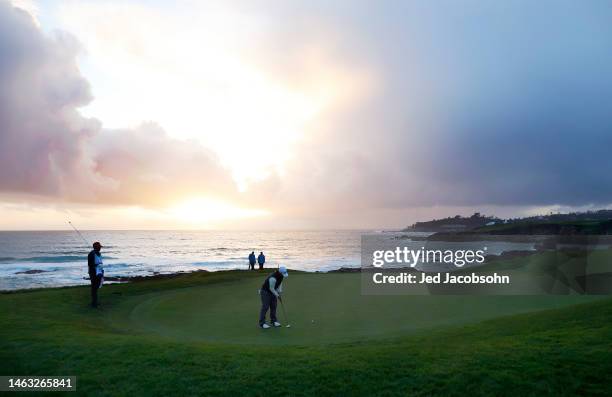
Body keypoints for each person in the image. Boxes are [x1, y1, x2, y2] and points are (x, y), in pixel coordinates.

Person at [87, 242, 104, 308]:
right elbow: (90, 265)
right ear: (96, 247)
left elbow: (100, 262)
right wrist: (97, 265)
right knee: (94, 288)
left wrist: (101, 270)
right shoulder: (91, 254)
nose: (100, 248)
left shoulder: (99, 254)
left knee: (97, 287)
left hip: (99, 272)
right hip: (93, 273)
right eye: (99, 247)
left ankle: (95, 301)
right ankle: (94, 303)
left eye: (100, 247)